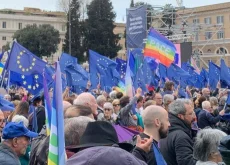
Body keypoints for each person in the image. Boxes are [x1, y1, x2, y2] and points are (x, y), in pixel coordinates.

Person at [160, 99, 197, 165]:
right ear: (180, 116)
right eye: (190, 114)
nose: (194, 117)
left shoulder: (167, 130)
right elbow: (187, 162)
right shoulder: (180, 136)